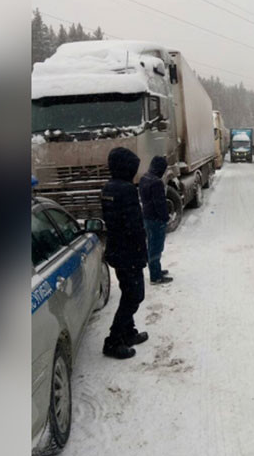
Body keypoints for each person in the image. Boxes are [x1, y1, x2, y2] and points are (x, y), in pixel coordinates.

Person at [100, 147, 150, 359]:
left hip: (118, 251)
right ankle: (113, 341)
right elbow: (134, 227)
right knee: (134, 295)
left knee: (128, 292)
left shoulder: (108, 188)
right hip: (129, 253)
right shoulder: (126, 190)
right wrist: (142, 252)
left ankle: (128, 332)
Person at [138, 156, 174, 285]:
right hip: (156, 219)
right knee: (156, 247)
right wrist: (165, 217)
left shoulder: (144, 178)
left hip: (147, 217)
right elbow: (160, 204)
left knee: (152, 246)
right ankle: (155, 276)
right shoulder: (156, 182)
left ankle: (156, 270)